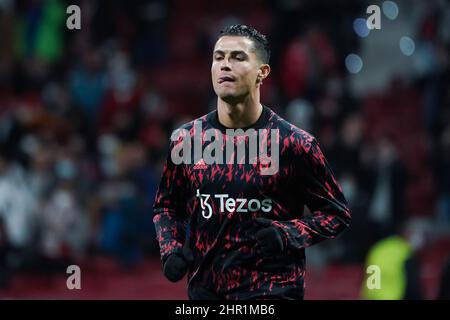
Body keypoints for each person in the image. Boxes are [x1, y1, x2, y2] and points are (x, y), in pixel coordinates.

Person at [153, 24, 351, 300]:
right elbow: (166, 207)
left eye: (237, 57)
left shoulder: (294, 143)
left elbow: (336, 214)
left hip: (272, 292)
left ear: (262, 72)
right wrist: (171, 248)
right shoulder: (186, 139)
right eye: (218, 57)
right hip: (206, 294)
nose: (224, 65)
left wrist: (287, 233)